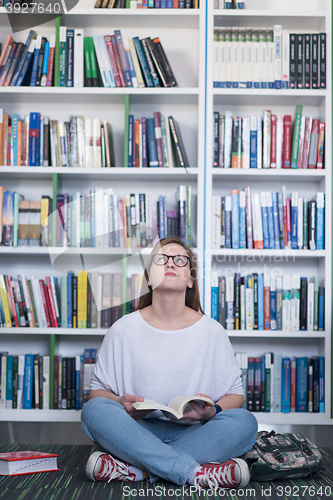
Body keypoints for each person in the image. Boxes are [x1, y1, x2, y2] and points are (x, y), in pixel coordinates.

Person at [81, 237, 258, 490]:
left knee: (245, 422)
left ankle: (136, 470)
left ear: (190, 280)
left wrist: (213, 411)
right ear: (149, 278)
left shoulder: (212, 331)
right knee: (94, 410)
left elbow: (235, 396)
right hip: (136, 431)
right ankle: (196, 473)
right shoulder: (122, 329)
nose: (170, 264)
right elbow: (97, 393)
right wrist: (122, 403)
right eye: (161, 259)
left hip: (195, 432)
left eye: (180, 260)